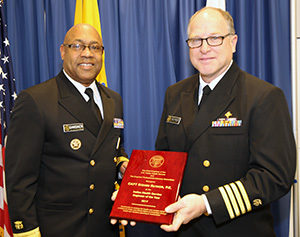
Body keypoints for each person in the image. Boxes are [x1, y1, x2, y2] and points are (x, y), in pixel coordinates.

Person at [155, 7, 296, 236]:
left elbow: (275, 177)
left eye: (214, 38)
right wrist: (138, 199)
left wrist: (206, 204)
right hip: (182, 229)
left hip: (236, 229)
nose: (204, 48)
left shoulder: (263, 96)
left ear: (233, 42)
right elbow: (164, 160)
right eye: (196, 40)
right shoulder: (174, 93)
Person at [5, 23, 128, 237]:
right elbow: (20, 179)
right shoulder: (36, 100)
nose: (87, 54)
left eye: (95, 47)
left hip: (104, 227)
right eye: (78, 46)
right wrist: (27, 231)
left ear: (102, 53)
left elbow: (112, 148)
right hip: (59, 228)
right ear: (63, 51)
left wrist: (122, 164)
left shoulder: (113, 99)